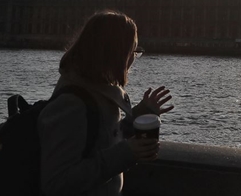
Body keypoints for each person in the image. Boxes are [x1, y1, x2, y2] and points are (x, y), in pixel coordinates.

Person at [37, 10, 174, 196]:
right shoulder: (72, 104)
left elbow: (101, 140)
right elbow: (56, 184)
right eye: (133, 51)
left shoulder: (98, 91)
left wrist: (139, 115)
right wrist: (126, 154)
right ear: (116, 53)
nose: (134, 58)